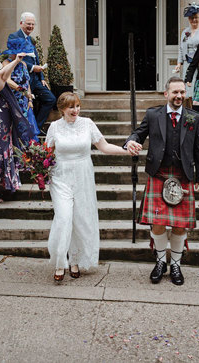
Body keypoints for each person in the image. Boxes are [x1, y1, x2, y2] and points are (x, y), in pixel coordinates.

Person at [125, 77, 199, 286]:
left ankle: (176, 264)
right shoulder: (154, 115)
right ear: (166, 94)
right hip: (159, 175)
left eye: (182, 92)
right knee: (158, 223)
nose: (179, 96)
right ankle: (161, 261)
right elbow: (138, 133)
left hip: (183, 176)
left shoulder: (193, 117)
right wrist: (131, 142)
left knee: (180, 226)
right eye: (175, 92)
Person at [46, 92, 129, 281]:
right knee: (64, 217)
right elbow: (46, 154)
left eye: (77, 106)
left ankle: (74, 260)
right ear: (62, 109)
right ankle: (60, 262)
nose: (75, 110)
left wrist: (125, 151)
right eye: (71, 107)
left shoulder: (88, 124)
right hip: (60, 176)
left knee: (80, 218)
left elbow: (104, 146)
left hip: (83, 175)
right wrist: (39, 171)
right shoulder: (54, 127)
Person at [0, 54, 34, 205]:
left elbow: (3, 75)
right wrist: (16, 61)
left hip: (3, 128)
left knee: (0, 158)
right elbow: (3, 76)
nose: (0, 73)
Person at [9, 12, 56, 132]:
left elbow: (36, 59)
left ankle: (37, 128)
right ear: (21, 23)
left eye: (32, 24)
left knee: (50, 99)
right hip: (22, 79)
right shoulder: (14, 37)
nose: (31, 26)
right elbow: (15, 58)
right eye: (28, 24)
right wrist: (32, 67)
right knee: (26, 106)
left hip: (35, 78)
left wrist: (42, 78)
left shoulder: (31, 39)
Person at [3, 36, 40, 138]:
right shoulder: (6, 63)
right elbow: (7, 81)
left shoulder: (23, 64)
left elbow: (26, 83)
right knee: (16, 130)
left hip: (24, 101)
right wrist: (22, 91)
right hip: (12, 101)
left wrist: (29, 100)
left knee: (28, 130)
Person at [173, 3, 199, 103]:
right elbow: (181, 48)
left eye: (196, 17)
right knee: (188, 91)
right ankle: (190, 113)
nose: (194, 20)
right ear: (188, 19)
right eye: (191, 18)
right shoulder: (185, 32)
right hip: (188, 64)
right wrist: (179, 63)